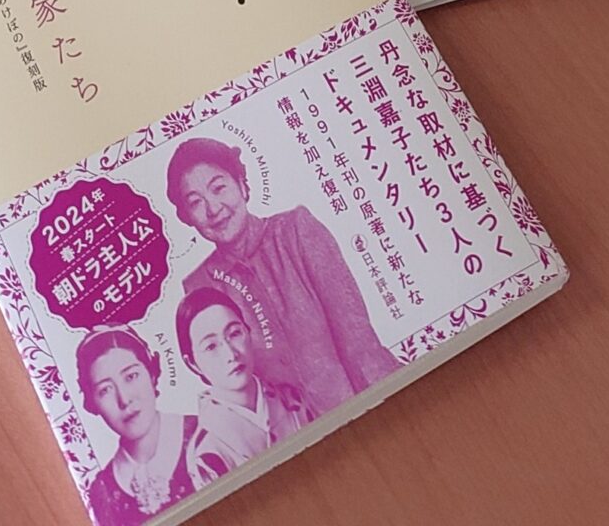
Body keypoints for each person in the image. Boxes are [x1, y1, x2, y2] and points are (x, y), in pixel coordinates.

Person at [165, 137, 398, 420]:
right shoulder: (199, 286)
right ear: (187, 217)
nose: (213, 209)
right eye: (195, 202)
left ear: (242, 185)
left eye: (219, 188)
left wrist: (390, 406)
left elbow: (358, 341)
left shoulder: (297, 231)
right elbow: (234, 390)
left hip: (362, 406)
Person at [176, 285, 309, 482]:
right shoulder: (205, 452)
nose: (231, 354)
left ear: (248, 331)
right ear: (193, 364)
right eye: (211, 346)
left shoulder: (292, 398)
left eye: (235, 334)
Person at [76, 329, 201, 525]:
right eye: (105, 390)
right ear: (92, 403)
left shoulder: (207, 432)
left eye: (131, 376)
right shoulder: (102, 491)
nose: (124, 399)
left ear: (152, 374)